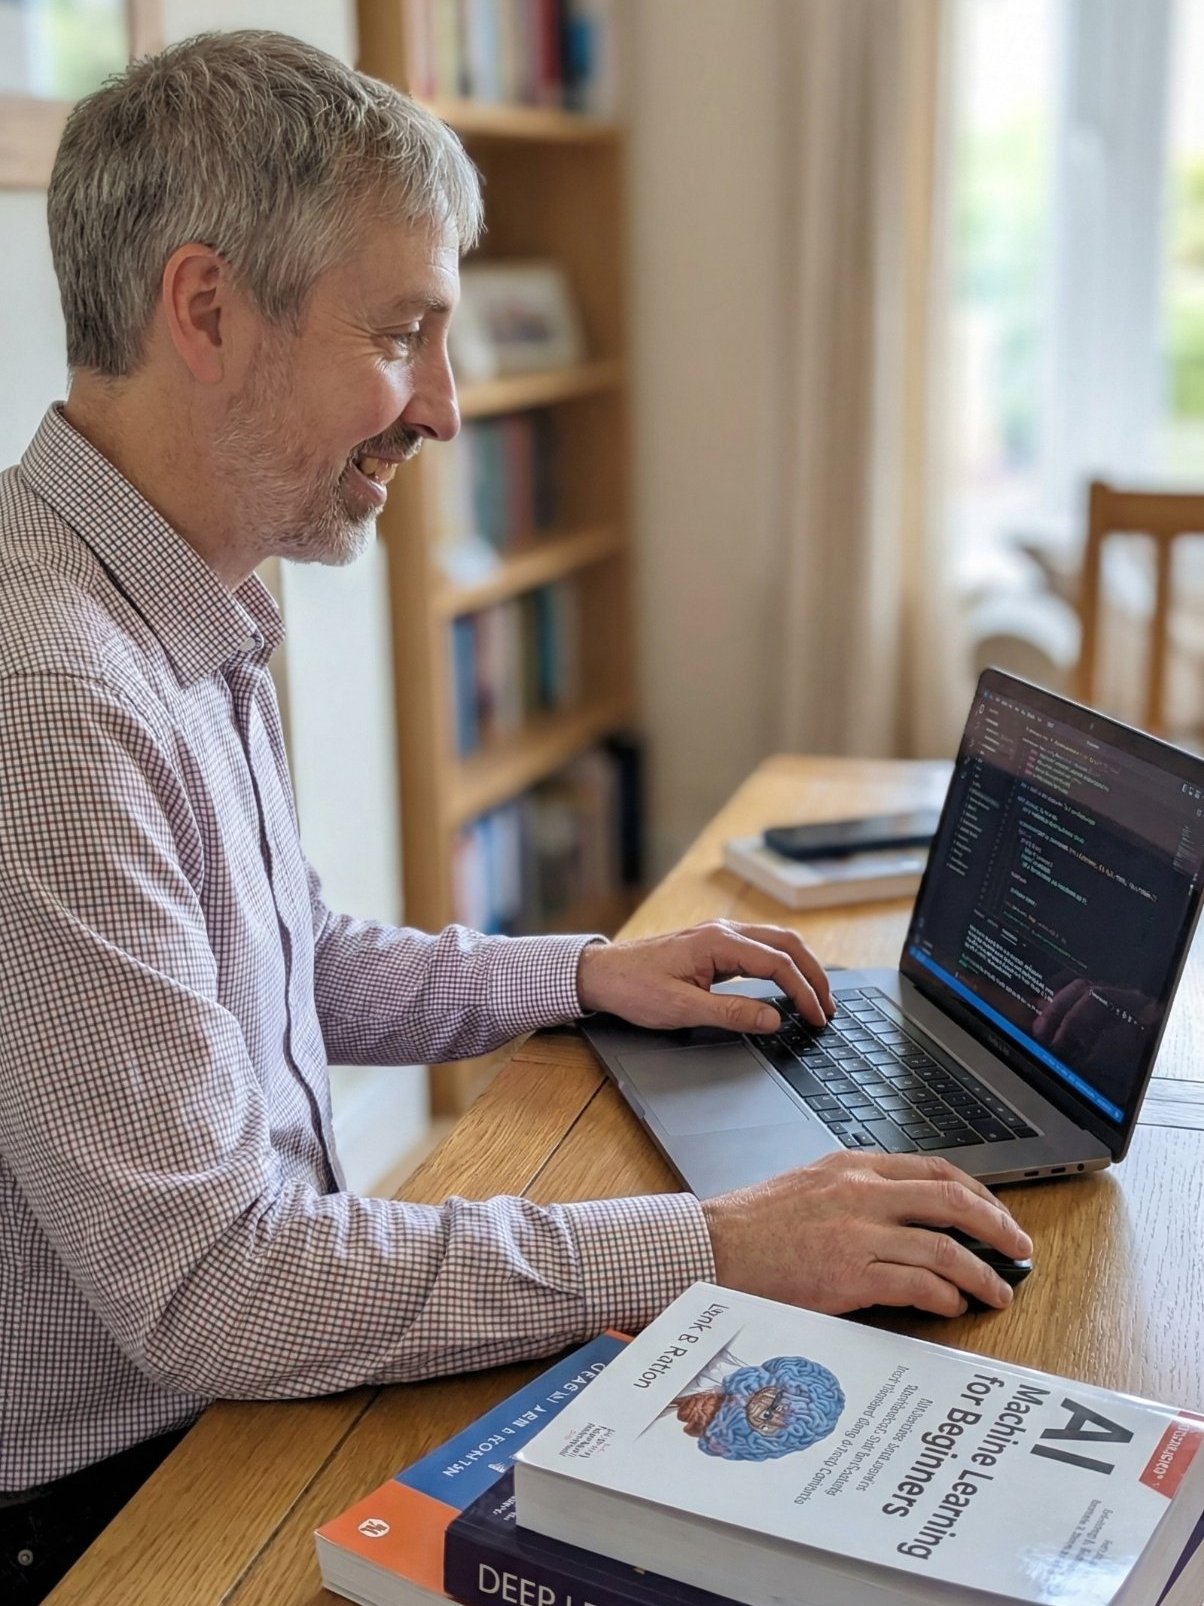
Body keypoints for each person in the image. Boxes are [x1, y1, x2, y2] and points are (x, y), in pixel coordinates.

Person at [0, 31, 1031, 1601]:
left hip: (224, 1391)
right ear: (205, 310)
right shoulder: (53, 696)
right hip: (127, 1494)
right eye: (403, 331)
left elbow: (288, 959)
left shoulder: (180, 600)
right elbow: (217, 1288)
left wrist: (580, 973)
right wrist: (716, 1248)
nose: (447, 411)